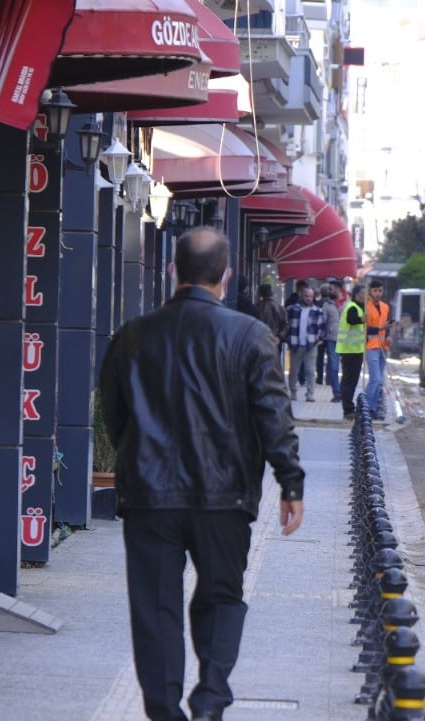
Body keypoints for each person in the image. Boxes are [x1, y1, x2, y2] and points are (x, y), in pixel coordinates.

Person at [98, 226, 305, 721]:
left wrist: (135, 458)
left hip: (149, 497)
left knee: (155, 610)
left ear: (173, 270)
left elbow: (113, 414)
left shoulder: (132, 336)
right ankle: (210, 700)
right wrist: (289, 482)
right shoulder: (250, 336)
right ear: (225, 275)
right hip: (223, 497)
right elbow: (273, 415)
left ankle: (164, 713)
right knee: (221, 599)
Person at [285, 285, 321, 401]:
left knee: (310, 370)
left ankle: (310, 393)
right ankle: (293, 392)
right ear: (301, 295)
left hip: (310, 345)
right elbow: (286, 325)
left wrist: (317, 340)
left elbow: (322, 327)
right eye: (306, 296)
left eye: (310, 296)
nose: (308, 298)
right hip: (296, 344)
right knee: (293, 371)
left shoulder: (317, 311)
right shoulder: (292, 309)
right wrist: (288, 339)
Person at [337, 284, 367, 420]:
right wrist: (362, 320)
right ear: (356, 295)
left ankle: (348, 407)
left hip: (355, 350)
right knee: (349, 381)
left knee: (351, 381)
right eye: (363, 294)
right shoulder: (352, 307)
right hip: (350, 351)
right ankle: (348, 409)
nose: (365, 296)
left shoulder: (359, 308)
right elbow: (351, 319)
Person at [364, 280, 392, 420]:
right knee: (375, 378)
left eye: (380, 290)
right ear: (370, 292)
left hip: (383, 346)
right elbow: (365, 329)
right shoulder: (366, 308)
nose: (378, 293)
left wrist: (389, 336)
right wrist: (380, 329)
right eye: (375, 291)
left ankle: (373, 408)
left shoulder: (386, 307)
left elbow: (387, 326)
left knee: (380, 380)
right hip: (371, 346)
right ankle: (365, 406)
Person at [318, 282, 342, 402]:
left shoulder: (341, 304)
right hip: (331, 339)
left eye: (335, 289)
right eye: (332, 289)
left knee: (340, 367)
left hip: (343, 340)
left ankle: (341, 391)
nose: (335, 291)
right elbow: (322, 322)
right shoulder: (327, 306)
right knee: (334, 367)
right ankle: (337, 393)